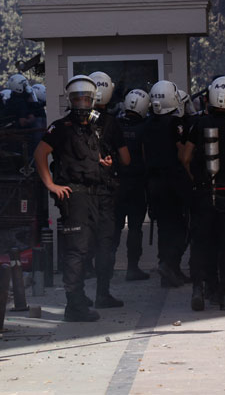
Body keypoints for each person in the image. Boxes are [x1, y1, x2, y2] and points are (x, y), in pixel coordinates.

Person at [33, 75, 118, 322]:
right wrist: (51, 184)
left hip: (94, 196)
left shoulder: (92, 129)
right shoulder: (60, 128)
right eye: (78, 97)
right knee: (77, 251)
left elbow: (90, 160)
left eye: (86, 97)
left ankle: (79, 298)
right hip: (75, 196)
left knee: (88, 248)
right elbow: (40, 154)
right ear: (71, 99)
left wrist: (103, 163)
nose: (82, 102)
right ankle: (74, 305)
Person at [181, 76, 225, 311]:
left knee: (201, 243)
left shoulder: (198, 125)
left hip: (202, 194)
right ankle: (223, 295)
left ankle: (199, 289)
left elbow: (185, 158)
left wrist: (195, 180)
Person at [86, 71, 130, 307]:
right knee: (105, 243)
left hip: (79, 192)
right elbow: (126, 158)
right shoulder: (112, 123)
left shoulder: (72, 120)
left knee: (80, 243)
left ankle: (77, 296)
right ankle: (102, 293)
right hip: (104, 192)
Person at [142, 80, 190, 288]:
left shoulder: (147, 124)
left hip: (153, 182)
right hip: (173, 181)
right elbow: (182, 154)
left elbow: (144, 154)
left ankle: (168, 268)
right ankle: (170, 264)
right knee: (181, 227)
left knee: (164, 227)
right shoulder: (174, 124)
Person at [115, 89, 151, 281]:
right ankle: (132, 267)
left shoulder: (116, 124)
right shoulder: (145, 127)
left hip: (117, 182)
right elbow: (146, 156)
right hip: (137, 183)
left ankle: (107, 265)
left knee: (114, 227)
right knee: (135, 228)